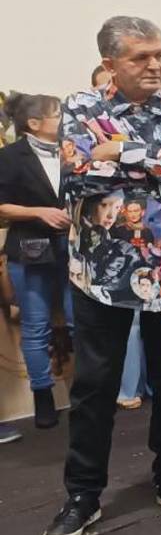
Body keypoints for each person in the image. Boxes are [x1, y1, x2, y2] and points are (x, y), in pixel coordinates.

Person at [45, 16, 161, 535]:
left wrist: (118, 151)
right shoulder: (81, 107)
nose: (155, 66)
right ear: (109, 64)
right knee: (96, 387)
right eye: (140, 58)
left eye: (159, 54)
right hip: (103, 271)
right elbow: (77, 173)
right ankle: (83, 495)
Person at [0, 92, 71, 429]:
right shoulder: (11, 157)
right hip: (30, 248)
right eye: (58, 114)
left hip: (74, 249)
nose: (65, 119)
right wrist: (38, 212)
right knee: (36, 326)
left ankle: (89, 391)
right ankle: (42, 395)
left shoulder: (72, 151)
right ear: (34, 123)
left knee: (82, 323)